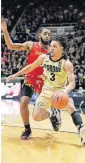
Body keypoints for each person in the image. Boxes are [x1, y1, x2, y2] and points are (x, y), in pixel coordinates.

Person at [7, 37, 85, 144]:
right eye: (50, 46)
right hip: (45, 92)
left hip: (59, 92)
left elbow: (72, 83)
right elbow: (30, 67)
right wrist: (15, 74)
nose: (51, 48)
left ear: (61, 48)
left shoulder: (66, 63)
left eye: (54, 46)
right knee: (36, 116)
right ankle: (52, 113)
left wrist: (65, 91)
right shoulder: (43, 58)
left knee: (71, 107)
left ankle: (82, 130)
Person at [1, 18, 61, 140]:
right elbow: (11, 46)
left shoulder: (52, 51)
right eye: (45, 33)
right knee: (23, 101)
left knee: (39, 114)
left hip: (45, 81)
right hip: (30, 79)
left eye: (49, 34)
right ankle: (27, 129)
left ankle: (51, 113)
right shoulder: (31, 45)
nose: (47, 35)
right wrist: (5, 31)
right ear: (39, 35)